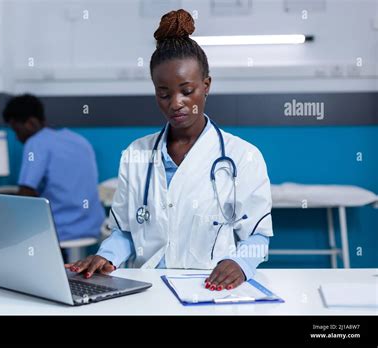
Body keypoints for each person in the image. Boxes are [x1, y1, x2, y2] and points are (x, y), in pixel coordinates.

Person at [65, 9, 273, 291]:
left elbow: (257, 237)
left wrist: (241, 264)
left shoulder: (243, 157)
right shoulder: (136, 155)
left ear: (206, 86)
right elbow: (125, 232)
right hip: (146, 289)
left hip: (208, 289)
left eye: (187, 91)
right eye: (164, 93)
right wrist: (106, 256)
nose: (175, 103)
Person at [3, 94, 105, 260]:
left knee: (5, 231)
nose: (16, 137)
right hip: (93, 226)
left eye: (16, 130)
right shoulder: (78, 140)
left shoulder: (36, 143)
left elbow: (25, 195)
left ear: (31, 123)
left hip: (62, 230)